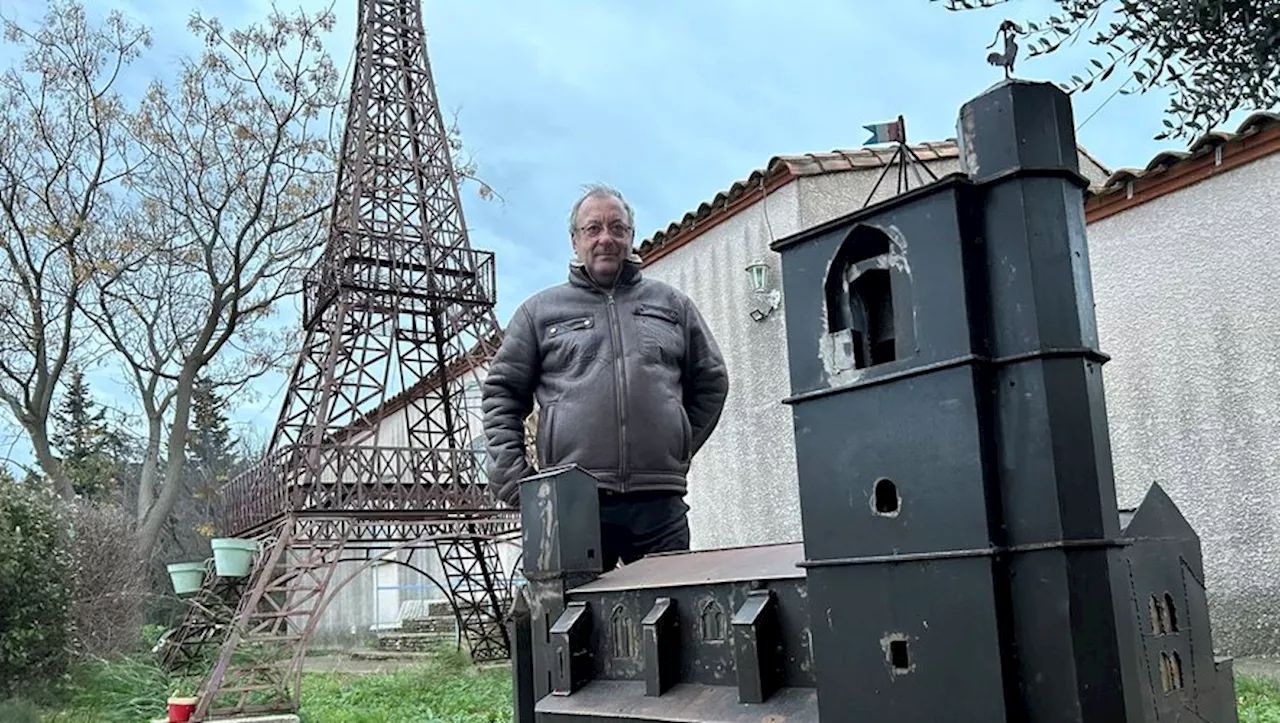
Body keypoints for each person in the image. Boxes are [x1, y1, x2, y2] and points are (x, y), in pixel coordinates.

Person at [481, 183, 729, 571]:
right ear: (574, 240)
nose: (606, 238)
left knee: (667, 621)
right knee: (572, 626)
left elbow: (711, 381)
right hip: (571, 501)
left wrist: (675, 447)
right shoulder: (538, 313)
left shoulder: (672, 306)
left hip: (658, 505)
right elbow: (501, 396)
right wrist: (517, 483)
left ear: (631, 236)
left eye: (617, 228)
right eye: (592, 229)